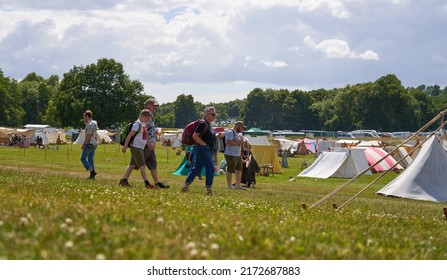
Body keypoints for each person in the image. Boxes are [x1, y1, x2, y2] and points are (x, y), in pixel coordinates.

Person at [181, 107, 217, 196]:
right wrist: (204, 145)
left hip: (204, 149)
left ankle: (186, 186)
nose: (214, 116)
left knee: (196, 169)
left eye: (215, 114)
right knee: (210, 169)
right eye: (212, 114)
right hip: (203, 149)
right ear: (206, 114)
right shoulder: (202, 123)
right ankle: (209, 189)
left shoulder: (208, 124)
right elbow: (195, 136)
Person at [119, 109, 154, 188]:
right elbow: (129, 135)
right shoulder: (137, 124)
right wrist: (125, 146)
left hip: (140, 147)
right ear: (142, 116)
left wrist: (149, 144)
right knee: (143, 166)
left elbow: (145, 136)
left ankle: (123, 181)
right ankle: (147, 183)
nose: (148, 120)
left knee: (131, 165)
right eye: (147, 118)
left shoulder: (143, 124)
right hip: (136, 147)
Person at [143, 99, 170, 189]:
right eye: (153, 105)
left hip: (151, 144)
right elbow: (144, 131)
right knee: (135, 163)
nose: (155, 107)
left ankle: (157, 182)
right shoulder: (145, 116)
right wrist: (149, 144)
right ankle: (124, 179)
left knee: (153, 164)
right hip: (146, 145)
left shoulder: (150, 117)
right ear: (148, 105)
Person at [224, 121, 246, 190]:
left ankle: (238, 185)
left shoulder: (237, 134)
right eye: (242, 127)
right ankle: (229, 186)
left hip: (237, 155)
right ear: (238, 126)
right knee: (230, 170)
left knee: (239, 169)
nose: (243, 129)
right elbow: (228, 142)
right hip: (231, 154)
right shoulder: (230, 132)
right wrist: (238, 142)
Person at [81, 110, 99, 179]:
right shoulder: (94, 122)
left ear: (87, 116)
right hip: (94, 144)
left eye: (84, 117)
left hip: (89, 143)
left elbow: (89, 134)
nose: (84, 118)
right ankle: (92, 176)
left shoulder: (90, 124)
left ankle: (92, 171)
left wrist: (84, 144)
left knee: (83, 158)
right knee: (90, 159)